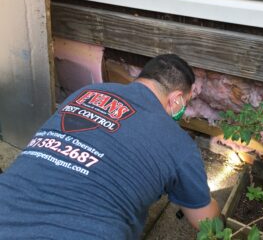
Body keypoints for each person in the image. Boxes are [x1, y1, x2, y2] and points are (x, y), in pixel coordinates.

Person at [0, 54, 220, 239]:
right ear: (176, 99)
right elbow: (205, 223)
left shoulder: (85, 93)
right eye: (186, 103)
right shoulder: (178, 144)